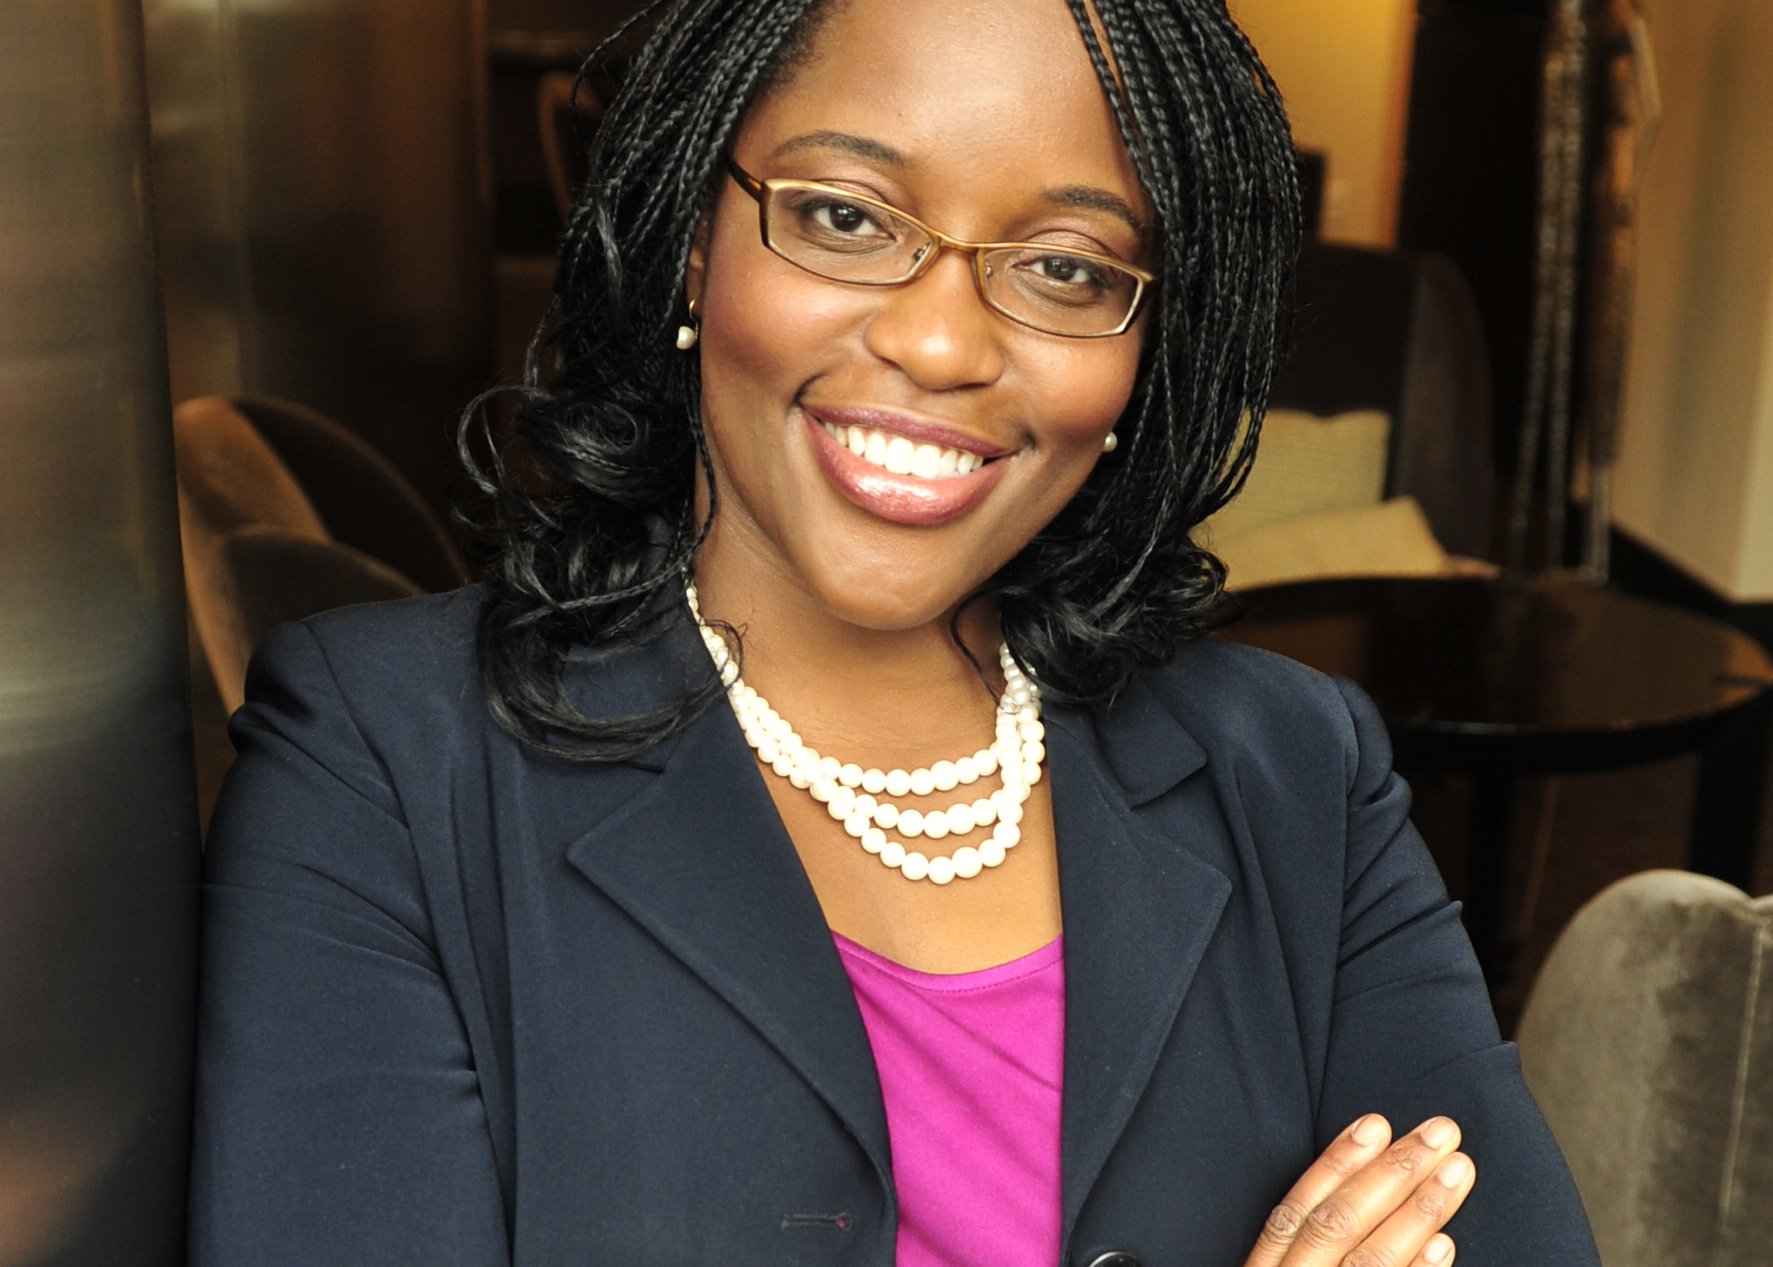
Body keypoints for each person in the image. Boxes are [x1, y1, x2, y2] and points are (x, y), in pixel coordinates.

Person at [189, 0, 1603, 1263]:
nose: (939, 343)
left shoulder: (1298, 769)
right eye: (845, 217)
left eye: (1064, 267)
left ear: (1141, 350)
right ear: (691, 241)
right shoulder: (379, 759)